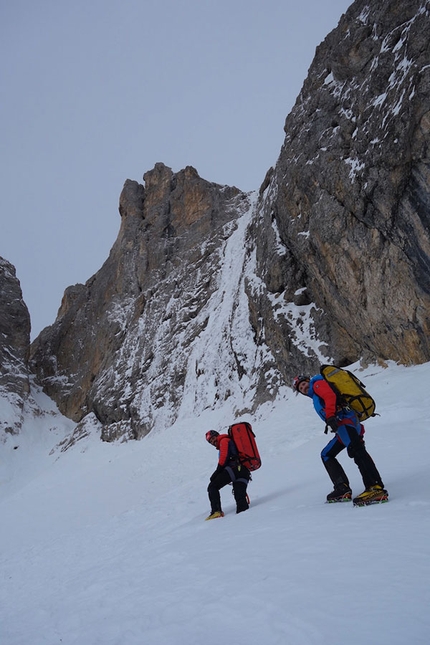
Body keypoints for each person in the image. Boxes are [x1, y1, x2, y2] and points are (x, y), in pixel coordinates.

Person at [293, 374, 388, 505]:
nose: (303, 387)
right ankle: (341, 488)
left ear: (308, 381)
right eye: (300, 387)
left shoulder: (317, 384)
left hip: (346, 423)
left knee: (357, 451)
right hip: (342, 428)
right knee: (327, 454)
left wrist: (330, 416)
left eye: (303, 384)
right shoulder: (315, 394)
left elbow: (330, 396)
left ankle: (375, 487)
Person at [205, 430, 250, 520]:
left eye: (213, 439)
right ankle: (245, 521)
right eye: (210, 442)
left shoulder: (224, 440)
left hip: (234, 470)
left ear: (217, 435)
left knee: (212, 486)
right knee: (240, 501)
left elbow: (224, 458)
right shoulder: (228, 440)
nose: (213, 442)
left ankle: (216, 511)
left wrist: (217, 472)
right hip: (243, 471)